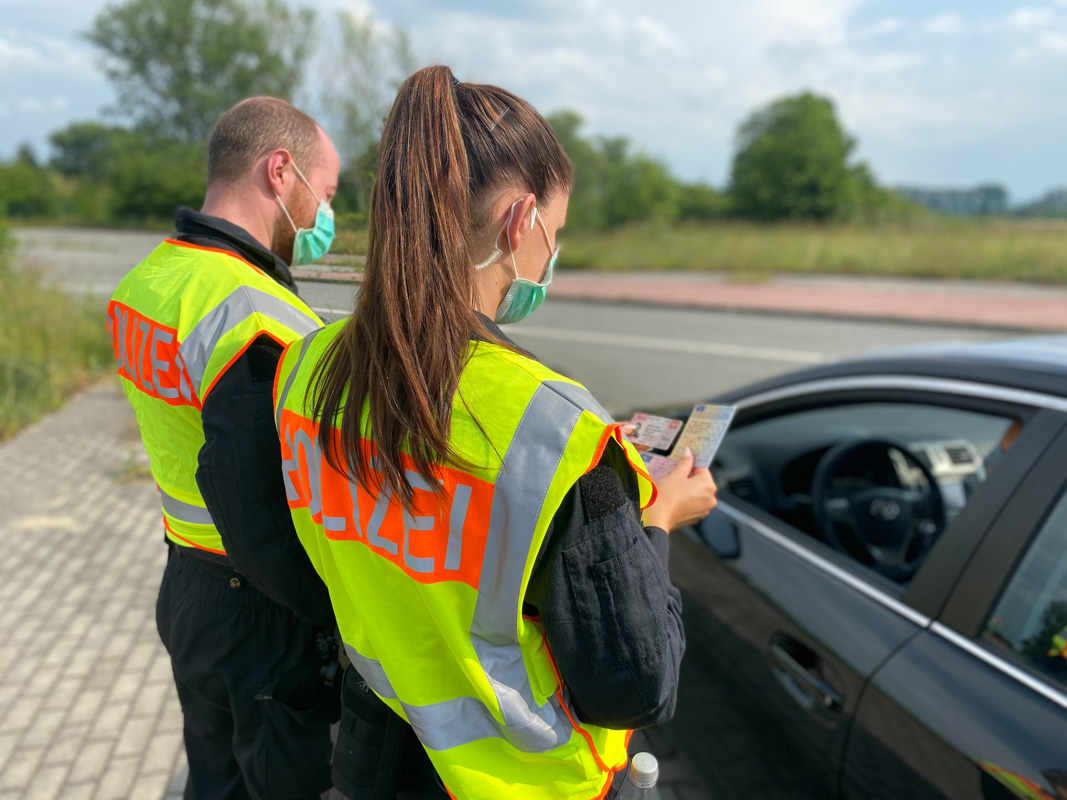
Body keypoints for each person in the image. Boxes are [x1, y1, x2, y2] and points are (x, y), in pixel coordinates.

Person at [271, 66, 718, 800]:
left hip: (371, 744)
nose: (551, 257)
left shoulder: (305, 368)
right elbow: (633, 686)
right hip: (513, 779)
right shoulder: (554, 426)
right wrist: (658, 518)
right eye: (557, 234)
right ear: (521, 222)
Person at [106, 97, 341, 800]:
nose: (327, 215)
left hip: (189, 585)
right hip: (260, 609)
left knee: (213, 778)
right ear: (280, 171)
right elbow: (256, 498)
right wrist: (329, 614)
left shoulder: (147, 280)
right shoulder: (252, 314)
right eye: (325, 194)